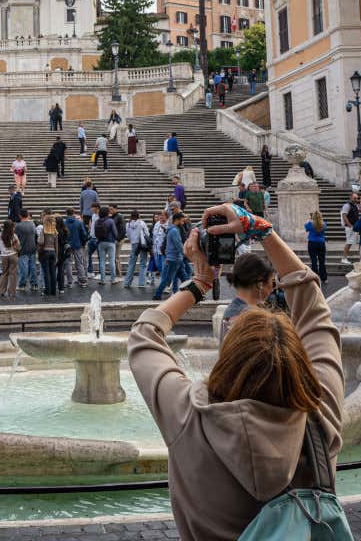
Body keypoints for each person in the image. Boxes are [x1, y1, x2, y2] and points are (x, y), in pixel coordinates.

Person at [129, 204, 343, 541]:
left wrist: (200, 283)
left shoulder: (187, 416)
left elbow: (145, 332)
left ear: (227, 357)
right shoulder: (321, 411)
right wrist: (261, 229)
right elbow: (313, 307)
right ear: (298, 361)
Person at [219, 253, 279, 342]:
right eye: (273, 282)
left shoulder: (232, 310)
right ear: (260, 284)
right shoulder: (254, 317)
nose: (274, 288)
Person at [152, 212, 187, 299]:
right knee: (168, 278)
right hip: (174, 258)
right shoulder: (174, 231)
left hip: (175, 258)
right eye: (182, 221)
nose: (183, 223)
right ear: (177, 220)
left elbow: (168, 245)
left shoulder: (172, 229)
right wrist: (186, 254)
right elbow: (178, 244)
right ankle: (157, 295)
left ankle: (192, 293)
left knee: (185, 278)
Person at [124, 210, 150, 288]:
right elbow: (147, 234)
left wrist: (132, 240)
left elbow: (128, 235)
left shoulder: (128, 224)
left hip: (134, 244)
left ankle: (127, 282)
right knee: (143, 263)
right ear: (138, 216)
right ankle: (141, 283)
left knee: (131, 263)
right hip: (142, 244)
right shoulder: (142, 223)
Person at [36, 212, 59, 296]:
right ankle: (53, 291)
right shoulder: (55, 232)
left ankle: (47, 291)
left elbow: (40, 241)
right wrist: (56, 256)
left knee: (46, 273)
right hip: (53, 252)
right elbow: (56, 245)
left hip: (45, 252)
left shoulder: (44, 231)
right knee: (53, 272)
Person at [15, 210, 38, 292]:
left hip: (23, 248)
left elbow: (15, 238)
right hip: (32, 247)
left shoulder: (18, 226)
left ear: (20, 216)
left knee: (23, 268)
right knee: (33, 267)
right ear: (27, 215)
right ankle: (34, 284)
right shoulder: (32, 224)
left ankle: (22, 284)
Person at [94, 206, 119, 285]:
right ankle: (113, 279)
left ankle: (102, 280)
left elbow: (95, 233)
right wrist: (115, 238)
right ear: (107, 213)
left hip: (101, 242)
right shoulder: (110, 221)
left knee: (102, 261)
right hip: (110, 242)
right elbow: (115, 233)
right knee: (112, 260)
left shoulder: (97, 221)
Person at [304, 211, 328, 283]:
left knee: (314, 262)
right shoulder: (324, 224)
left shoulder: (310, 224)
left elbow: (306, 228)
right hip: (321, 243)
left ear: (313, 217)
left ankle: (315, 278)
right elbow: (323, 230)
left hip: (312, 243)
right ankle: (324, 278)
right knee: (322, 262)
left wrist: (308, 220)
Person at [0, 220, 19, 298]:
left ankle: (1, 291)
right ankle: (12, 292)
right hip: (13, 255)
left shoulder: (0, 235)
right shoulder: (14, 235)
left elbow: (0, 246)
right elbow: (18, 246)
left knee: (4, 273)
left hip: (4, 256)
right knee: (13, 274)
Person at [339, 191, 361, 265]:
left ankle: (360, 257)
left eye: (357, 198)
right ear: (350, 197)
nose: (356, 199)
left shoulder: (355, 205)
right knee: (349, 242)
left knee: (352, 242)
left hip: (355, 226)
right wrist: (350, 225)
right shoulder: (347, 205)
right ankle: (344, 258)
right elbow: (344, 215)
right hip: (350, 227)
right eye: (354, 198)